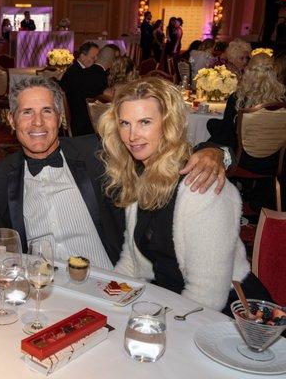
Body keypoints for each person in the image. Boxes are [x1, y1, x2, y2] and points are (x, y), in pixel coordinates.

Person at [0, 76, 229, 267]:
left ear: (61, 118)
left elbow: (160, 148)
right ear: (11, 120)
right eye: (27, 112)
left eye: (47, 111)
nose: (38, 122)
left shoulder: (97, 152)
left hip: (105, 282)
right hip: (40, 287)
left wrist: (215, 151)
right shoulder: (0, 176)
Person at [99, 77, 272, 314]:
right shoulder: (139, 175)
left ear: (168, 124)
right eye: (125, 123)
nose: (132, 135)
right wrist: (102, 302)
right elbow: (131, 262)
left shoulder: (201, 187)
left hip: (227, 317)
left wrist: (153, 321)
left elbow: (207, 295)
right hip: (169, 301)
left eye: (145, 122)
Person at [207, 53, 285, 210]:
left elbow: (227, 134)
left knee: (215, 132)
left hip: (242, 161)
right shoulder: (283, 100)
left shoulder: (238, 99)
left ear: (248, 72)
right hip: (274, 162)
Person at [60, 42, 100, 135]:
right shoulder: (74, 72)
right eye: (93, 57)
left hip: (79, 112)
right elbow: (83, 96)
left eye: (96, 56)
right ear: (82, 56)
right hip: (78, 120)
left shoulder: (83, 69)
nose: (95, 59)